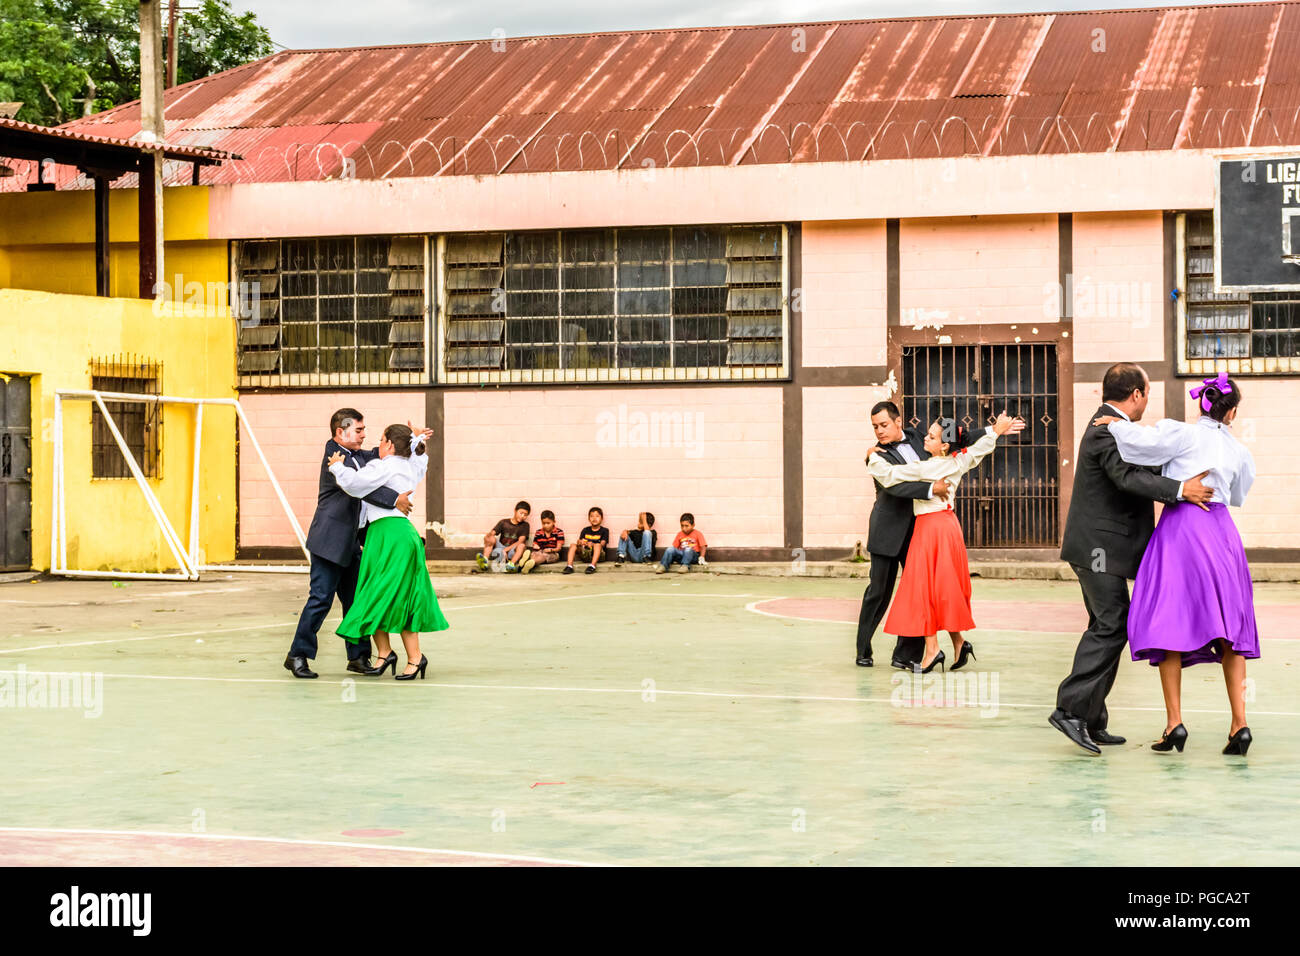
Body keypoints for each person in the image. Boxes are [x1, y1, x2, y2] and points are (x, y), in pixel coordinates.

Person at [1050, 363, 1214, 755]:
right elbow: (1128, 477)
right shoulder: (1106, 429)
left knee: (1107, 623)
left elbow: (1140, 465)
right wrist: (1180, 489)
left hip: (1099, 548)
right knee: (1112, 624)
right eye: (1147, 395)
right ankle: (1069, 710)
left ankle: (1091, 718)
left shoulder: (1114, 426)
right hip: (1097, 550)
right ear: (1137, 394)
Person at [1093, 373, 1258, 756]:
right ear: (1230, 412)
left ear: (1201, 404)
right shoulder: (1237, 451)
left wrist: (1117, 425)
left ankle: (1174, 723)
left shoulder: (1181, 434)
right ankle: (1240, 724)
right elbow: (1236, 495)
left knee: (1170, 620)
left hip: (1181, 529)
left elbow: (1140, 446)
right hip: (1220, 533)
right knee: (1230, 626)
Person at [865, 411, 1026, 673]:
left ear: (944, 445)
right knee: (944, 587)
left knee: (923, 589)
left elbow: (889, 476)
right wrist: (995, 431)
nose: (924, 439)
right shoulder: (958, 461)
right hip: (949, 527)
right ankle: (959, 642)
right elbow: (977, 450)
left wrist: (872, 456)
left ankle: (931, 651)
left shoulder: (924, 467)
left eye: (931, 436)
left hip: (929, 530)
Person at [284, 408, 416, 680]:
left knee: (357, 601)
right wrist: (395, 499)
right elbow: (358, 487)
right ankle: (298, 655)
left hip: (352, 543)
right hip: (330, 542)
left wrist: (415, 442)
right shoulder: (335, 456)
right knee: (320, 599)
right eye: (358, 430)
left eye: (364, 430)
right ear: (340, 431)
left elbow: (391, 456)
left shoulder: (360, 455)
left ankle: (357, 657)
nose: (364, 434)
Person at [328, 424, 448, 680]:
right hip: (388, 535)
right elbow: (420, 460)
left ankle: (414, 658)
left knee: (387, 594)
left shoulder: (384, 466)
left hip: (391, 535)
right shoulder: (408, 466)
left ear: (390, 444)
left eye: (382, 440)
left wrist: (337, 465)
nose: (378, 445)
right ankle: (385, 654)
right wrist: (417, 442)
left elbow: (353, 484)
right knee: (375, 594)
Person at [854, 401, 956, 669]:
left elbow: (943, 447)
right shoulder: (876, 456)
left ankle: (906, 655)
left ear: (899, 422)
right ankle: (863, 648)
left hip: (919, 532)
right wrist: (931, 489)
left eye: (884, 425)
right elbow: (895, 488)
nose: (879, 431)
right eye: (875, 426)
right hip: (887, 531)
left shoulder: (916, 437)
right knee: (878, 593)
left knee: (919, 593)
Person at [478, 502, 530, 573]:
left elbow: (520, 541)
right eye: (521, 513)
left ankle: (511, 565)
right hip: (500, 549)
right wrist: (488, 537)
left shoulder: (525, 525)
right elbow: (492, 533)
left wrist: (506, 550)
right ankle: (484, 561)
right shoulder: (504, 522)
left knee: (522, 545)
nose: (522, 516)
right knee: (491, 538)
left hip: (512, 551)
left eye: (525, 515)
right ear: (515, 511)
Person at [564, 507, 609, 574]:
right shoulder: (585, 530)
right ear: (588, 519)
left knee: (598, 545)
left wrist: (593, 544)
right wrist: (580, 542)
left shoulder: (604, 530)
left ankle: (592, 566)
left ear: (601, 519)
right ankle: (569, 566)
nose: (594, 518)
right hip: (585, 554)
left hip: (599, 556)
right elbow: (579, 542)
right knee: (573, 545)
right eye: (592, 516)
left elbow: (603, 543)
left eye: (597, 516)